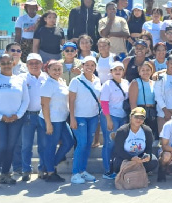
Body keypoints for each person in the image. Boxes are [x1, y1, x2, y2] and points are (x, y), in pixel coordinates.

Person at [0, 53, 30, 189]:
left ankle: (5, 174)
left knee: (11, 147)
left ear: (13, 63)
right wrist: (1, 116)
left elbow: (25, 100)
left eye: (8, 62)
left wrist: (18, 115)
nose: (6, 65)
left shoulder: (20, 80)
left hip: (16, 120)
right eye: (3, 63)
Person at [13, 53, 47, 181]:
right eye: (31, 63)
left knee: (43, 145)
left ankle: (42, 169)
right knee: (26, 145)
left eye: (37, 63)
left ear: (41, 64)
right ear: (27, 65)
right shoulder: (21, 78)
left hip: (43, 115)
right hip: (28, 116)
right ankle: (26, 170)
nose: (34, 65)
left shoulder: (46, 77)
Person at [39, 60, 74, 183]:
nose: (57, 72)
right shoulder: (47, 84)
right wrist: (48, 123)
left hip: (61, 119)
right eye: (54, 69)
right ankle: (50, 173)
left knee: (69, 142)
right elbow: (44, 105)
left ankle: (49, 165)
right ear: (48, 70)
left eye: (59, 69)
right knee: (51, 145)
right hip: (52, 119)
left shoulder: (61, 82)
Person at [68, 56, 102, 184]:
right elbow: (71, 100)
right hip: (79, 116)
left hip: (93, 116)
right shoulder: (76, 81)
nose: (89, 67)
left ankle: (82, 170)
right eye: (86, 65)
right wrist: (72, 118)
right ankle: (75, 173)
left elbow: (99, 99)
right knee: (81, 143)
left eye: (92, 65)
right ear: (82, 66)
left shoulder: (97, 80)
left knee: (88, 144)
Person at [98, 61, 130, 179]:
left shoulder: (126, 83)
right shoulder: (107, 84)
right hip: (111, 116)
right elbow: (104, 103)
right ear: (111, 72)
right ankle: (107, 170)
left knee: (119, 144)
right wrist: (108, 119)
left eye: (120, 69)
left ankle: (117, 168)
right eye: (115, 69)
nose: (118, 71)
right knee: (109, 143)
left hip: (123, 116)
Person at [110, 107, 158, 176]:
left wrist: (147, 156)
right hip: (125, 158)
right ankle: (128, 173)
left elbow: (149, 148)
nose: (138, 120)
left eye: (141, 118)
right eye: (136, 117)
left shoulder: (147, 131)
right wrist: (131, 158)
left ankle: (138, 172)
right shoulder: (122, 131)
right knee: (117, 163)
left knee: (153, 161)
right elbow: (118, 150)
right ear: (131, 117)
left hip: (140, 157)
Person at [127, 60, 159, 139]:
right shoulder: (135, 82)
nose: (145, 72)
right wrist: (135, 117)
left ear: (151, 71)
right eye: (143, 70)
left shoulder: (154, 83)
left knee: (151, 136)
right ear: (139, 72)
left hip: (152, 112)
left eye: (148, 70)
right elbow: (132, 102)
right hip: (140, 111)